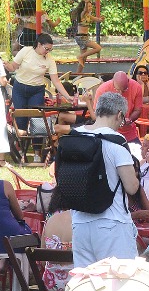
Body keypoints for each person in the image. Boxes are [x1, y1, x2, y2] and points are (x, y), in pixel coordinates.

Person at [60, 93, 140, 267]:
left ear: (97, 110)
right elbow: (132, 187)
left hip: (79, 222)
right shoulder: (116, 142)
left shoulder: (75, 135)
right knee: (118, 279)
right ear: (119, 114)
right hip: (112, 223)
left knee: (86, 280)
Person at [6, 34, 66, 130]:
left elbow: (56, 81)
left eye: (50, 50)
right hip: (20, 89)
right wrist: (6, 65)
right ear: (39, 45)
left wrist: (67, 96)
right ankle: (21, 138)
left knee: (36, 119)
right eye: (46, 49)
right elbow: (13, 67)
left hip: (37, 91)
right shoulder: (26, 51)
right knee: (21, 120)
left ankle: (36, 139)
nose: (47, 52)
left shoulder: (49, 59)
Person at [97, 67, 146, 142]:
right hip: (108, 133)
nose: (120, 93)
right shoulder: (103, 89)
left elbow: (138, 110)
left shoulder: (136, 87)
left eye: (124, 90)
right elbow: (97, 114)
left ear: (128, 82)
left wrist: (130, 119)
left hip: (129, 133)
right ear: (113, 82)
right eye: (117, 90)